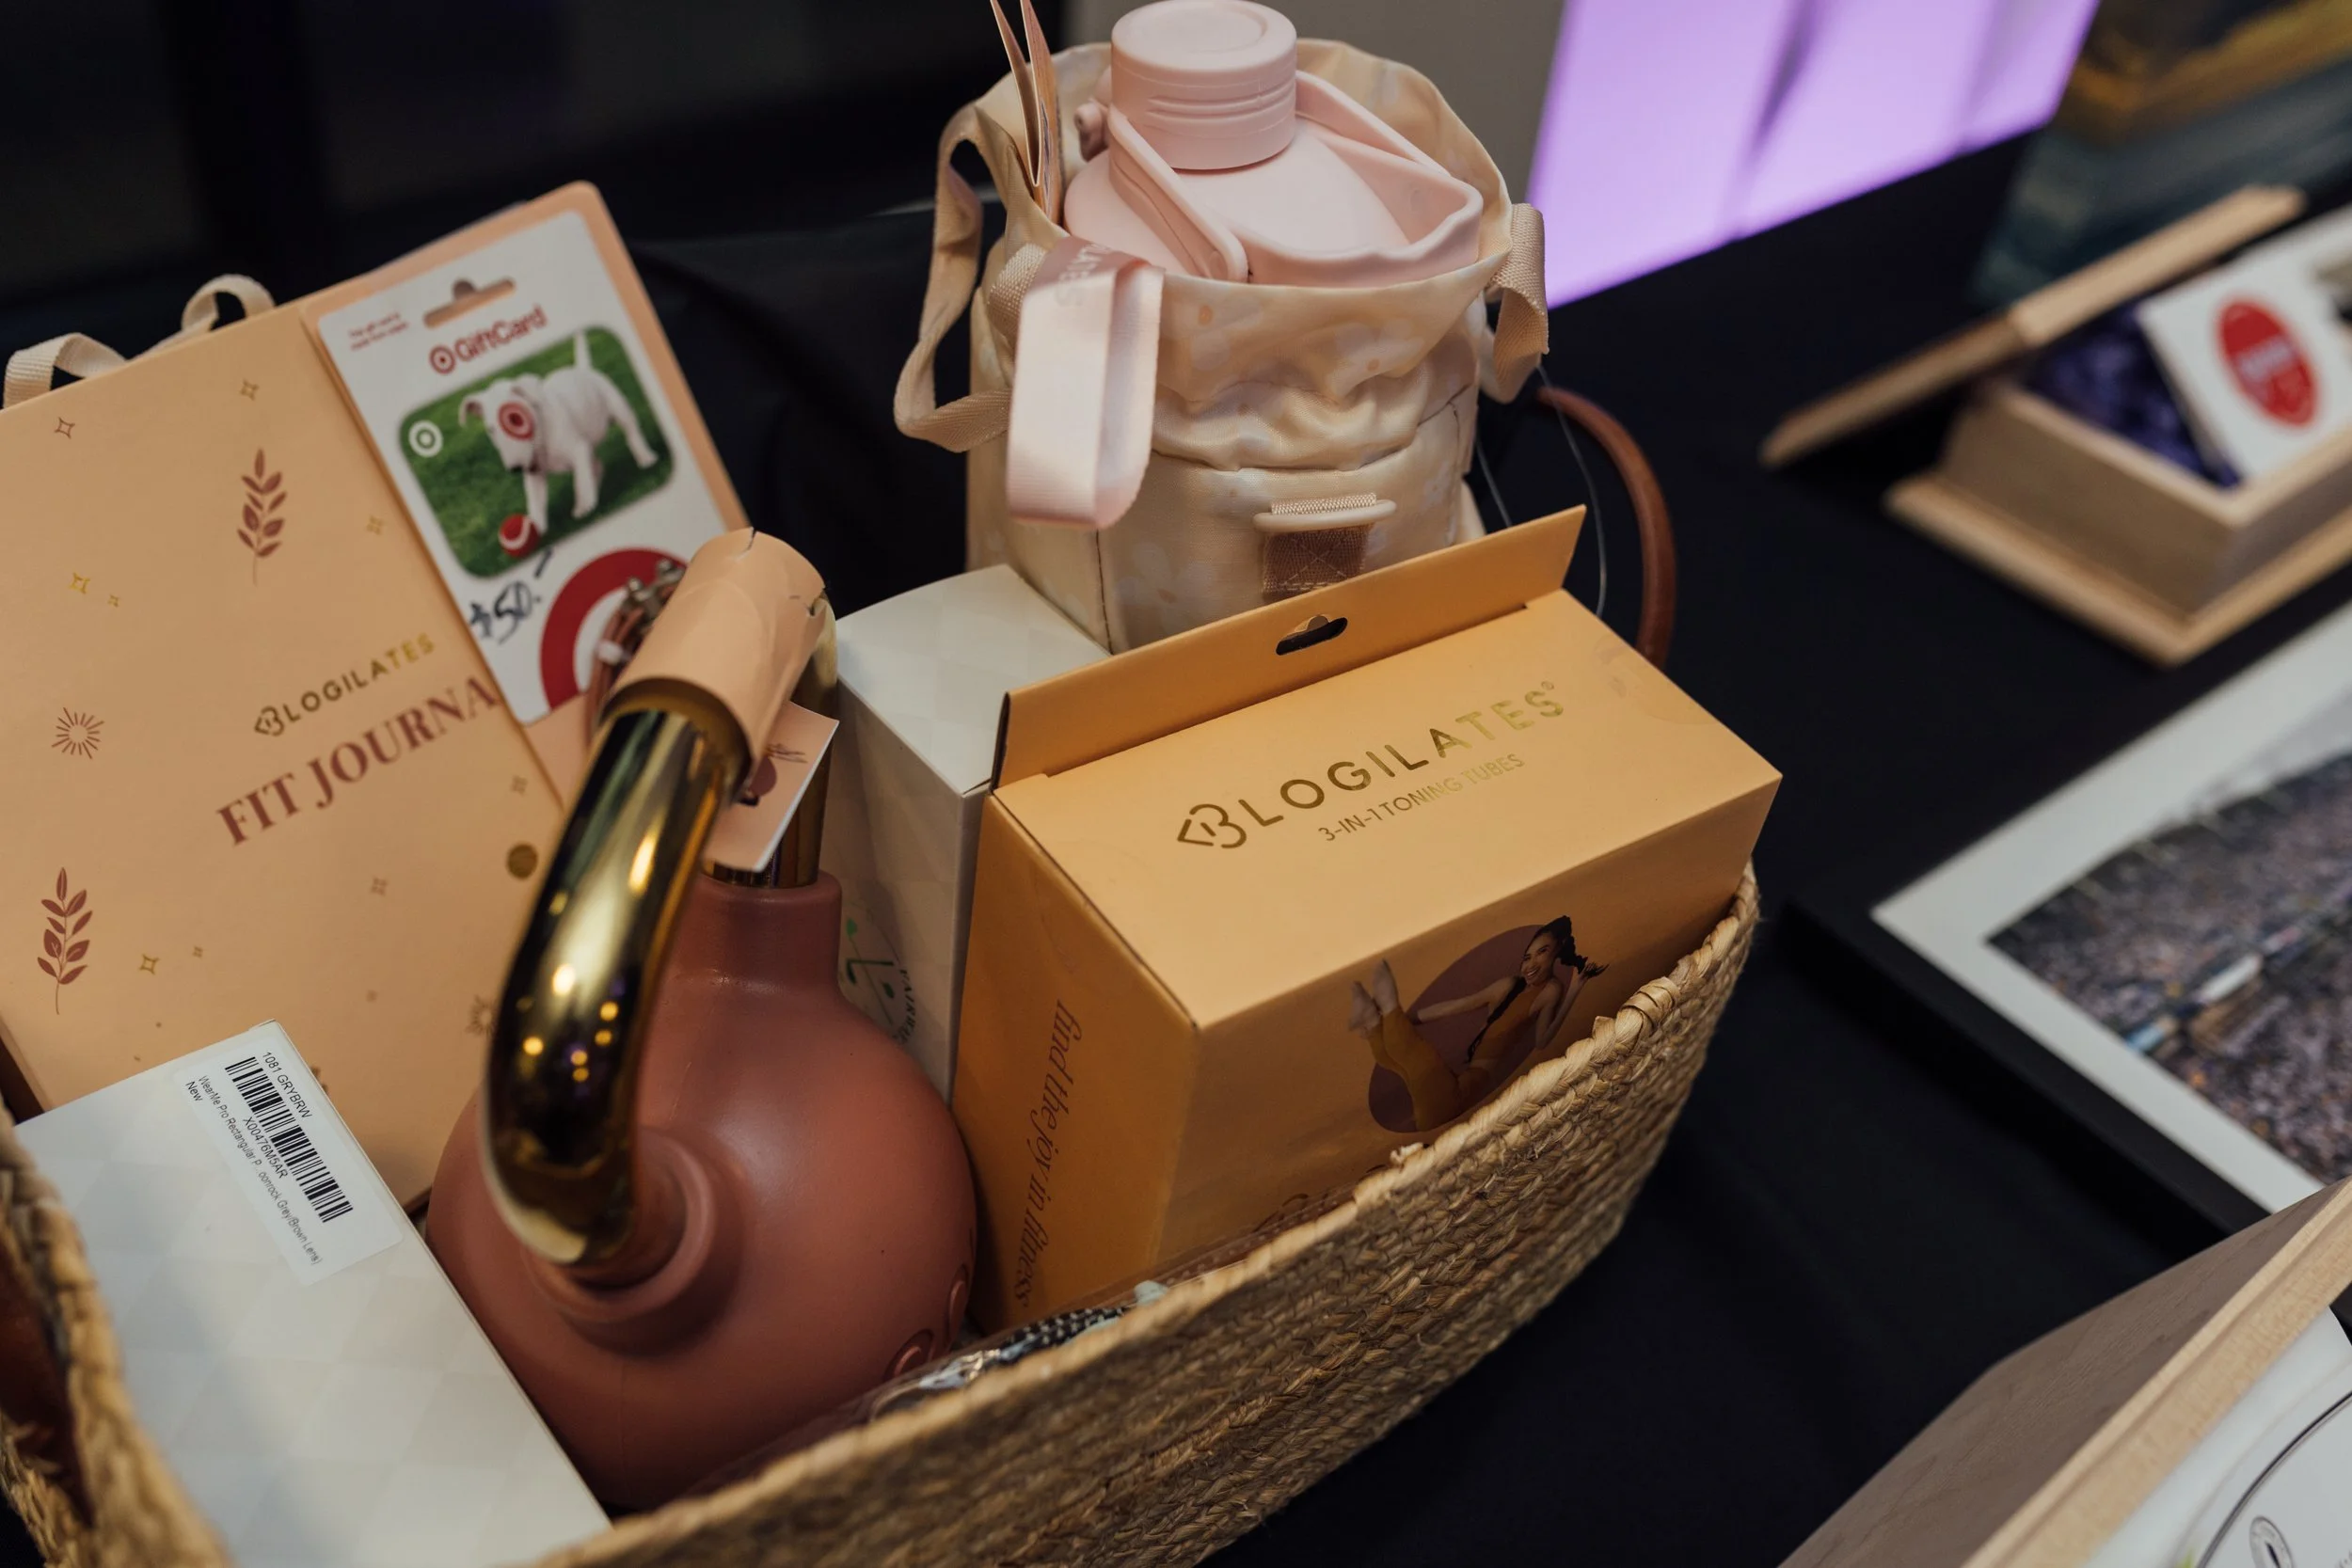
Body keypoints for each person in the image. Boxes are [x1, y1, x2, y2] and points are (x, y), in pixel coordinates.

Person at [1348, 917, 1604, 1133]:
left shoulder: (1550, 990)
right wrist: (1410, 1018)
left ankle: (1382, 1017)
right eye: (1527, 956)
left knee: (1417, 1071)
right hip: (1463, 1084)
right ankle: (1378, 1020)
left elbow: (1542, 1040)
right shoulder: (1508, 986)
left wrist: (1574, 990)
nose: (1531, 964)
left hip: (1473, 1088)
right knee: (1398, 1063)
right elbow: (1457, 1005)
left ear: (1557, 951)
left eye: (1542, 952)